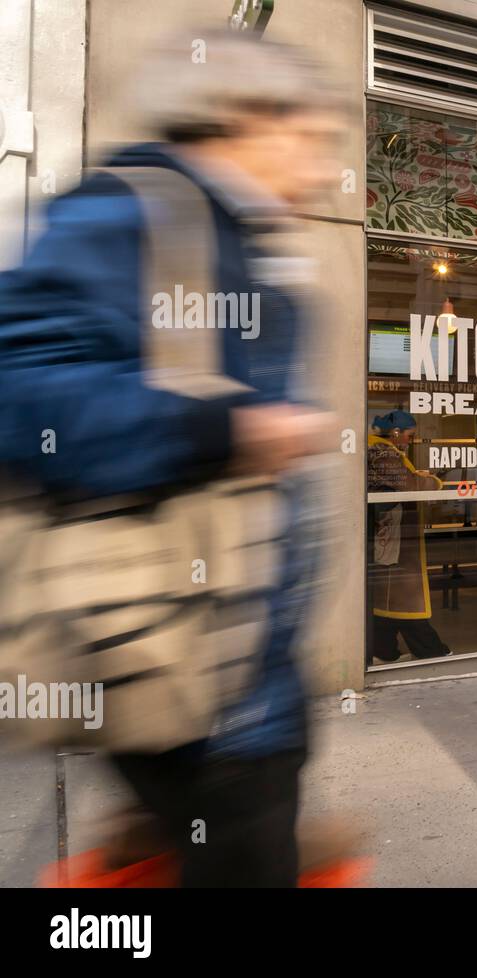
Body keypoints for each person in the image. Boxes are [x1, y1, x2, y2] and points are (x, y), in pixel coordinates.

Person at [0, 31, 344, 885]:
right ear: (244, 118)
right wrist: (219, 431)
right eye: (312, 136)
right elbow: (15, 390)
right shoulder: (132, 210)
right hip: (188, 677)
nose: (323, 165)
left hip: (237, 677)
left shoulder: (243, 241)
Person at [367, 410, 452, 662]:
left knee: (388, 595)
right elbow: (408, 484)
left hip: (385, 534)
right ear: (395, 433)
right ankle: (431, 650)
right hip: (397, 537)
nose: (410, 440)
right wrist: (433, 482)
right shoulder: (382, 452)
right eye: (409, 435)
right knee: (407, 596)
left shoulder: (377, 450)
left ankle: (384, 650)